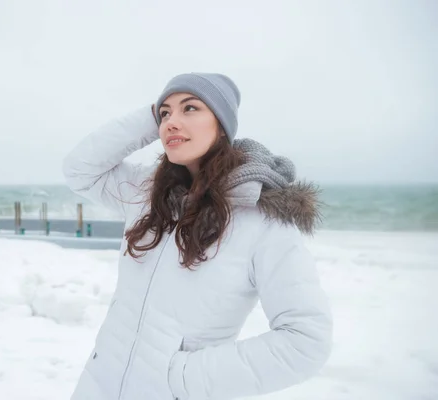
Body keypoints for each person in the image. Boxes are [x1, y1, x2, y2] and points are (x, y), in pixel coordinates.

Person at [62, 72, 333, 400]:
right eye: (165, 114)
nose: (171, 122)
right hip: (97, 388)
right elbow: (80, 169)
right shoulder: (147, 193)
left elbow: (306, 341)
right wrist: (153, 116)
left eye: (190, 108)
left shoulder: (262, 220)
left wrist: (180, 379)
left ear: (221, 124)